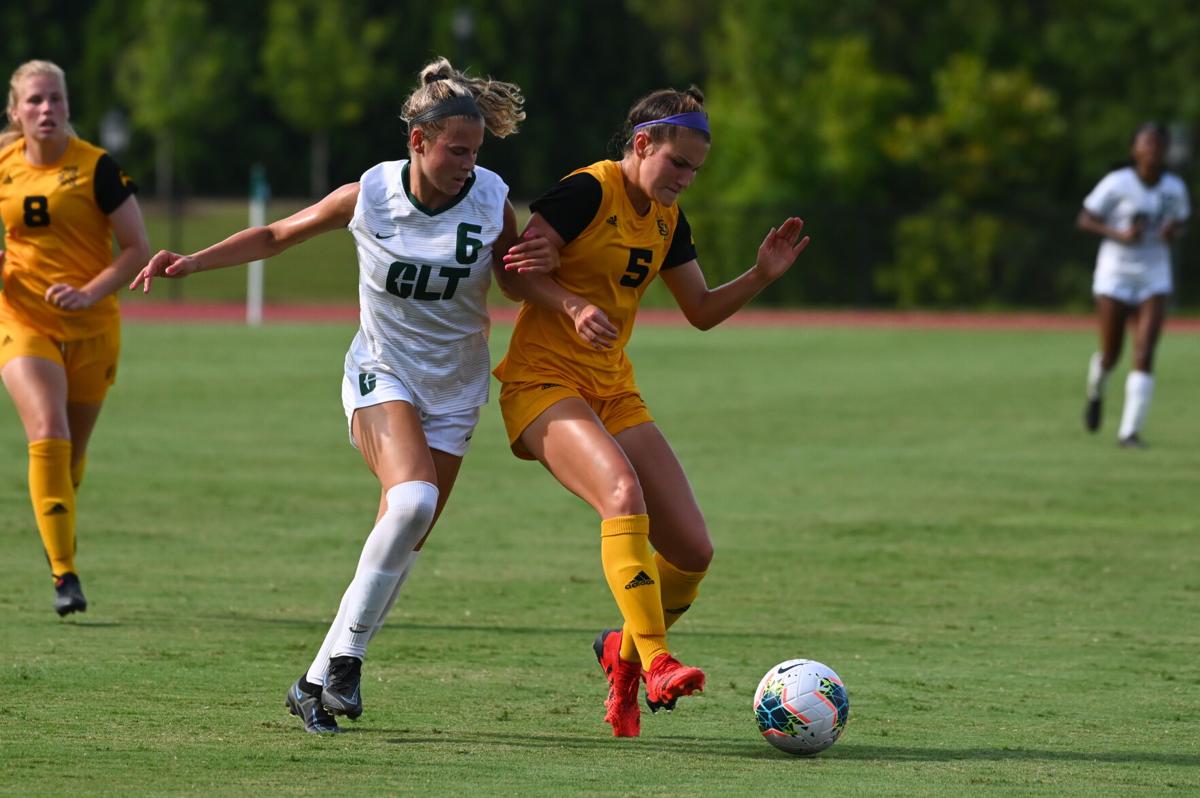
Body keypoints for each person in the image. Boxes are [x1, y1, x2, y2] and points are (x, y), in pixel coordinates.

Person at [130, 58, 556, 734]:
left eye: (475, 152)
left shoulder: (488, 196)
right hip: (381, 373)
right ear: (417, 141)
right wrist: (191, 261)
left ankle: (312, 680)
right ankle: (350, 661)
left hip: (455, 388)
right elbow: (276, 235)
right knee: (412, 499)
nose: (467, 164)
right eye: (455, 150)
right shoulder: (370, 194)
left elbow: (511, 280)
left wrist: (561, 289)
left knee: (405, 536)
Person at [493, 86, 809, 737]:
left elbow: (698, 313)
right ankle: (656, 658)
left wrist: (759, 277)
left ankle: (622, 648)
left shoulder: (668, 220)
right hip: (542, 381)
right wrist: (571, 305)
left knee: (692, 550)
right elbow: (514, 271)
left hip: (613, 388)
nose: (686, 179)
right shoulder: (587, 192)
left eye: (695, 169)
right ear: (642, 144)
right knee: (621, 493)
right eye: (679, 164)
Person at [0, 60, 149, 617]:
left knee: (72, 456)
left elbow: (136, 247)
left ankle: (54, 518)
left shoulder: (96, 168)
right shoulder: (4, 162)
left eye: (55, 100)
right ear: (15, 111)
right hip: (22, 320)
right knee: (47, 428)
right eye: (35, 101)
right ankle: (65, 575)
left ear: (67, 107)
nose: (46, 110)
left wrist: (89, 293)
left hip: (92, 327)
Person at [1077, 122, 1190, 448]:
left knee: (1144, 350)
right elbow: (1085, 218)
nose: (1152, 149)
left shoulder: (1174, 188)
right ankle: (1096, 392)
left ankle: (1129, 432)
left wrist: (1173, 233)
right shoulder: (1117, 183)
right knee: (1111, 354)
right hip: (1116, 274)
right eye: (1146, 143)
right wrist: (1118, 235)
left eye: (1158, 144)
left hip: (1154, 274)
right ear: (1134, 149)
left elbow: (1180, 222)